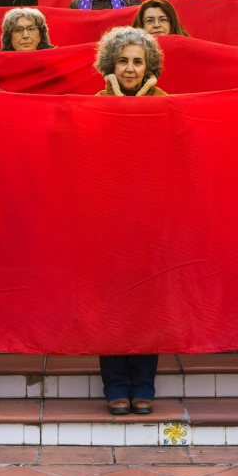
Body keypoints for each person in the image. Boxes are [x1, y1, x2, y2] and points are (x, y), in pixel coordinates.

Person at [93, 26, 166, 413]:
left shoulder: (167, 103)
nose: (130, 68)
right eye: (122, 61)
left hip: (151, 221)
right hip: (107, 223)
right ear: (110, 65)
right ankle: (116, 386)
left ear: (150, 67)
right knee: (113, 304)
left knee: (146, 303)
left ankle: (144, 386)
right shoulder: (95, 103)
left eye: (138, 61)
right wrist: (117, 101)